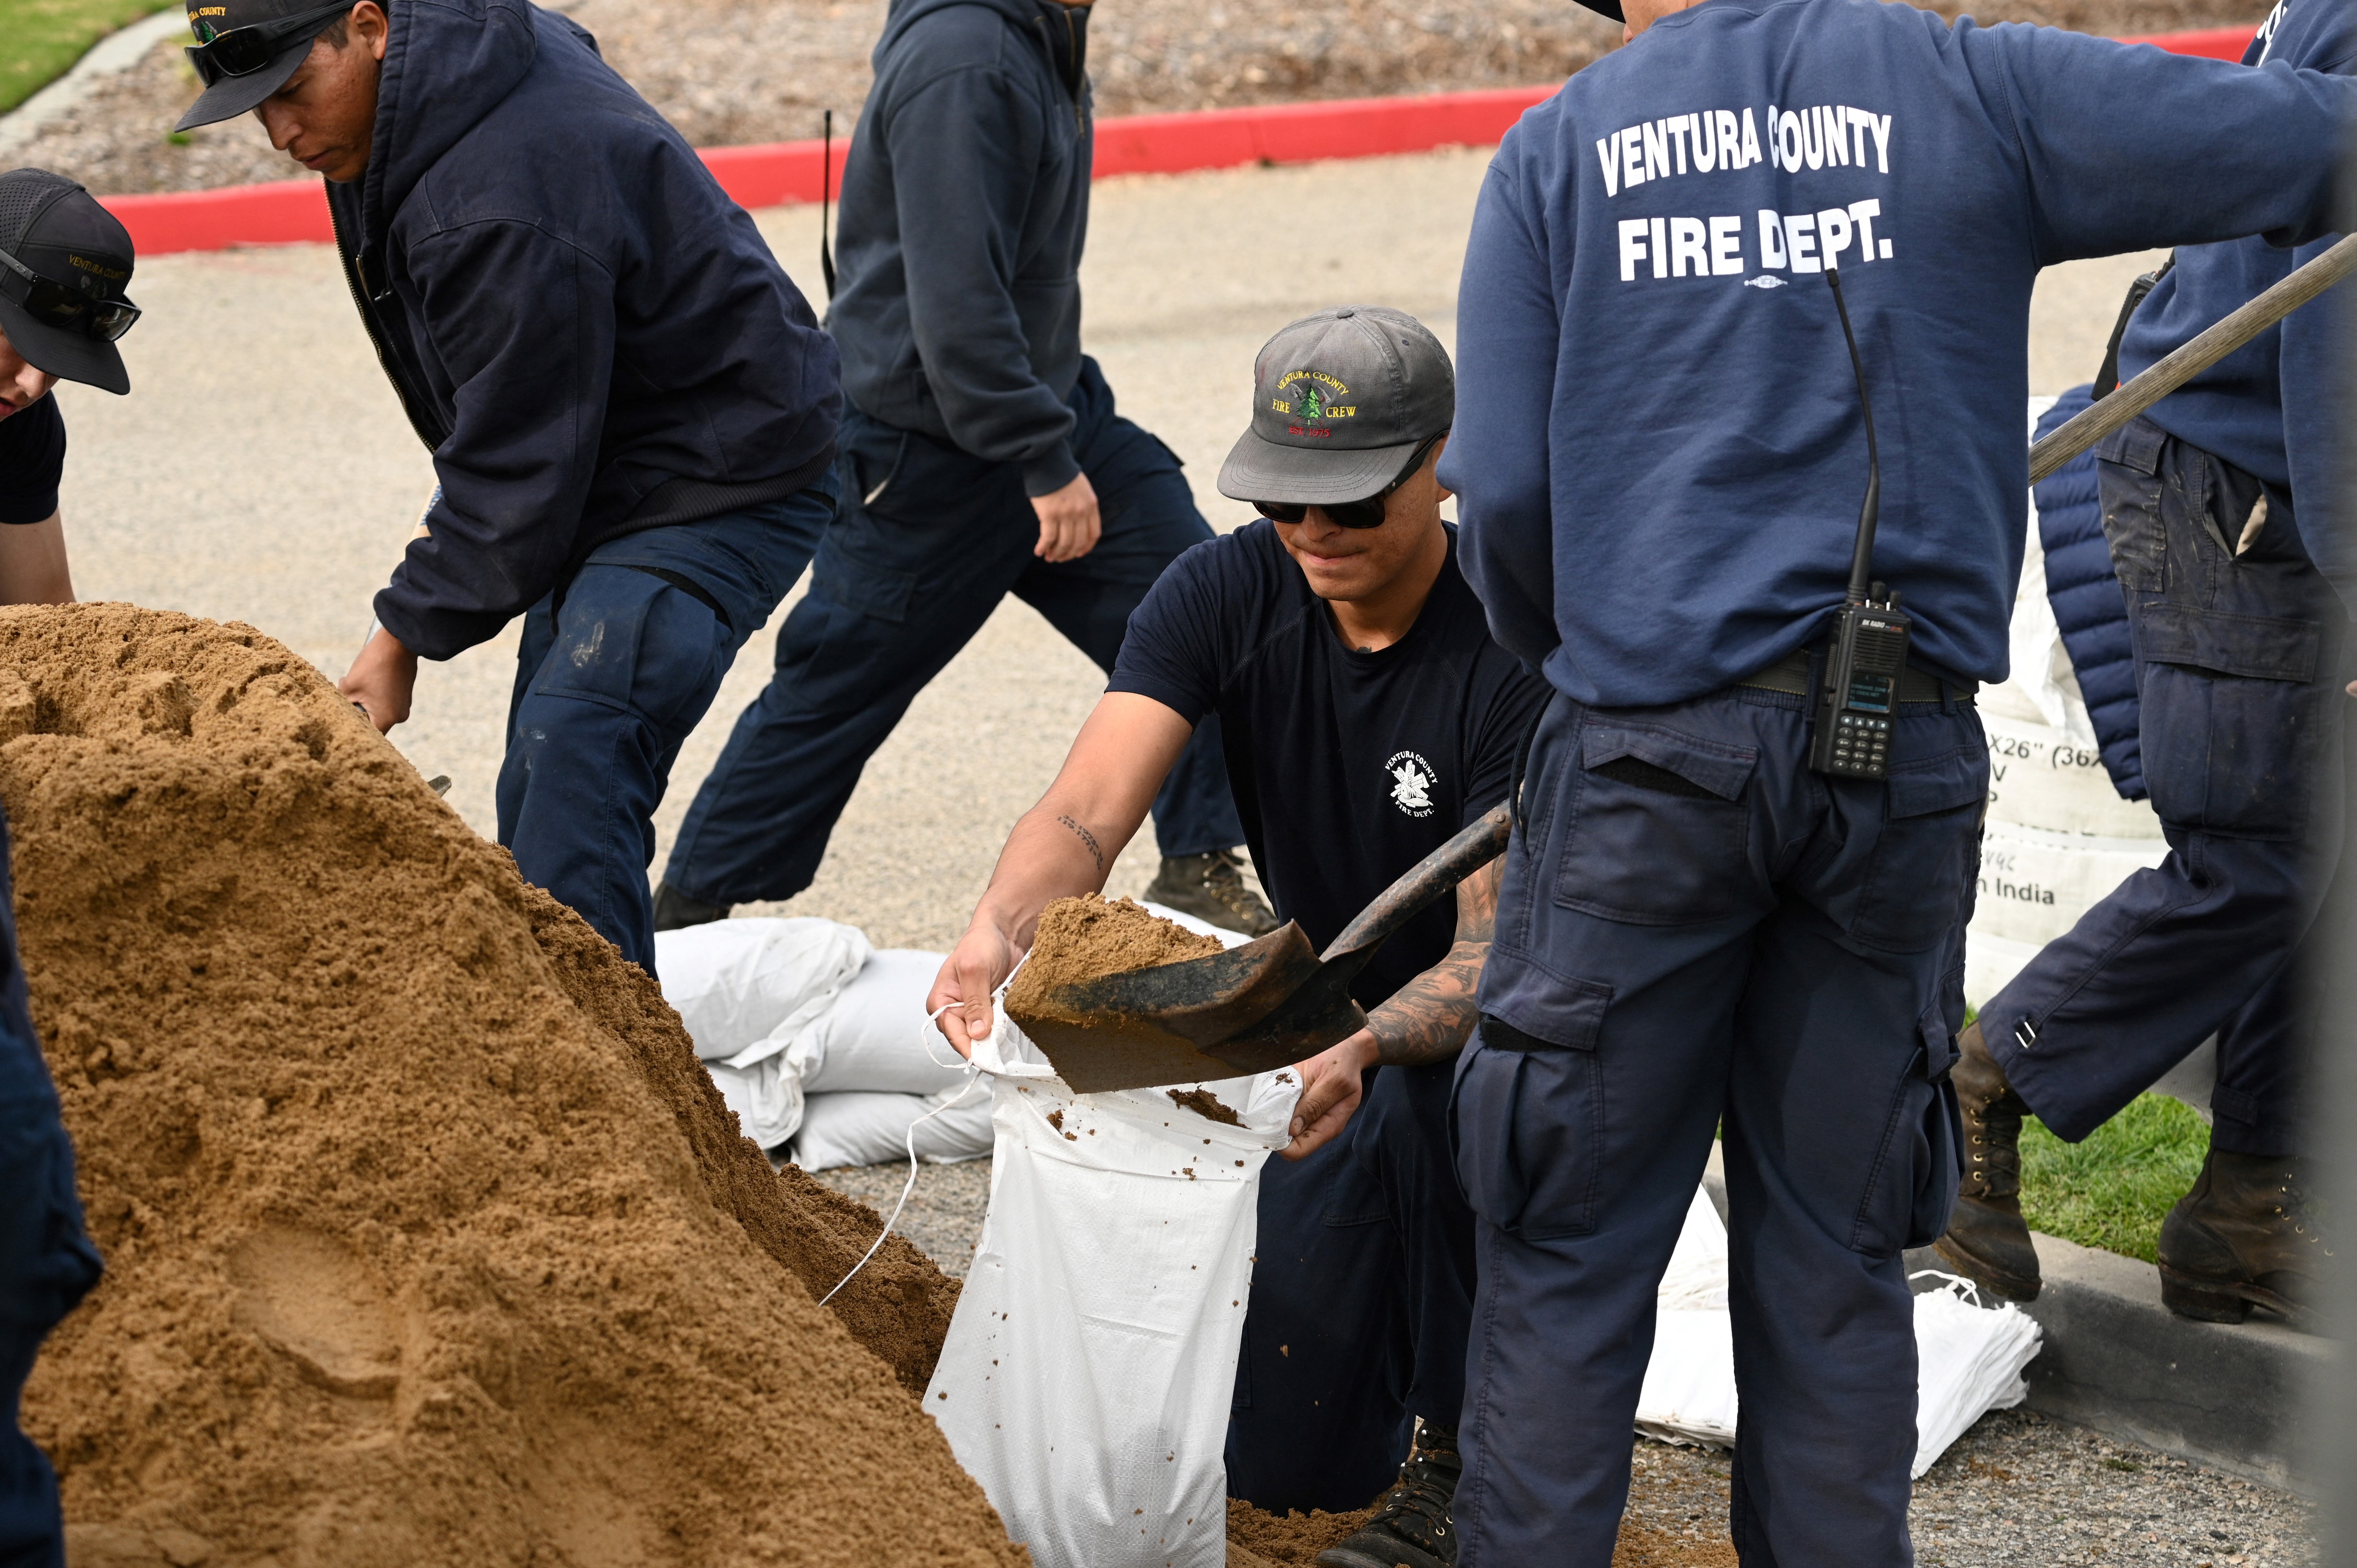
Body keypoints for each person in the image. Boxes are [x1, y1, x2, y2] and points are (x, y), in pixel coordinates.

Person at [1440, 0, 2357, 1557]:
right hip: (1894, 758)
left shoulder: (1562, 150)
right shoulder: (1970, 84)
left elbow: (1508, 494)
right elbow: (2319, 145)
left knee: (1569, 1250)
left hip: (1646, 752)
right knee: (1837, 1255)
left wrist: (1593, 656)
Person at [929, 309, 1548, 1568]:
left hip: (1478, 1021)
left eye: (1351, 502)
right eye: (1285, 502)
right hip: (1315, 1016)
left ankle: (1459, 1459)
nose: (1313, 534)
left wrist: (1364, 1051)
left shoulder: (1511, 633)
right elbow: (1083, 807)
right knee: (1285, 1458)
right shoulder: (1224, 588)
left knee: (1458, 1099)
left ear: (1440, 461)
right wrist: (994, 931)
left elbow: (1490, 958)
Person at [170, 0, 843, 973]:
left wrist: (398, 640)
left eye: (290, 91)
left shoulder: (490, 197)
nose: (280, 133)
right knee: (546, 780)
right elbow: (525, 439)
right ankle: (587, 1055)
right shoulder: (451, 66)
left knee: (574, 756)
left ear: (370, 27)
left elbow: (519, 466)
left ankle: (617, 1108)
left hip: (719, 473)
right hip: (625, 453)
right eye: (256, 108)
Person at [648, 0, 1274, 940]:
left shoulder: (1043, 28)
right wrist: (1040, 458)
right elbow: (956, 301)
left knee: (1207, 609)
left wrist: (1048, 433)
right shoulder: (968, 59)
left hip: (1043, 399)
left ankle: (1200, 866)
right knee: (834, 694)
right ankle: (683, 923)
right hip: (927, 447)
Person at [1939, 0, 2352, 1323]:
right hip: (2229, 470)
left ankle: (2250, 1213)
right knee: (2261, 851)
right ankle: (1976, 1089)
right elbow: (2335, 334)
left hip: (2270, 470)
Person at [0, 165, 124, 1568]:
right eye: (17, 342)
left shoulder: (15, 417)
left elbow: (44, 625)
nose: (34, 385)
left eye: (57, 363)